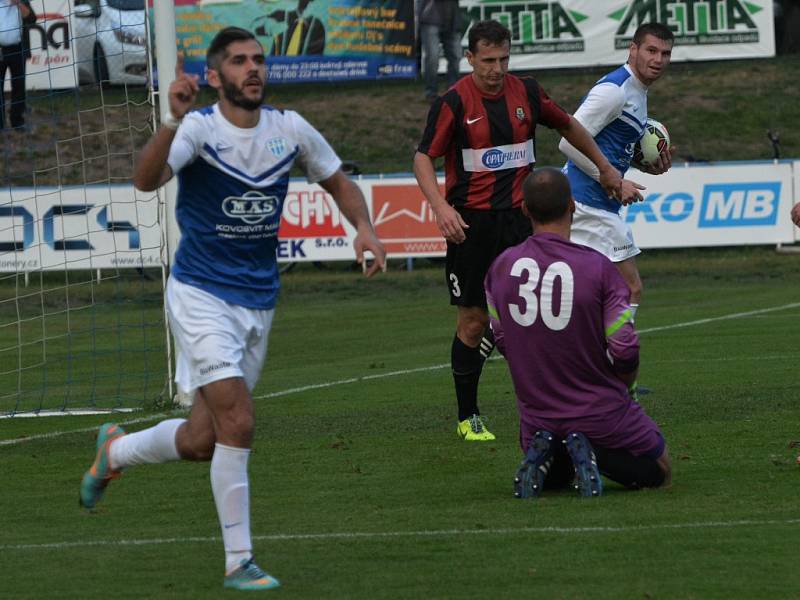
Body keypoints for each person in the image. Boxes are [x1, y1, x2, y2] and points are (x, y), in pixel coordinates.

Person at [79, 26, 386, 591]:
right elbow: (145, 181)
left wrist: (363, 229)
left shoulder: (288, 129)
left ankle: (115, 451)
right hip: (200, 294)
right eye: (240, 62)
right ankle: (238, 559)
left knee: (203, 439)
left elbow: (339, 182)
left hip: (258, 300)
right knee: (239, 420)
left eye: (259, 60)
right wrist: (170, 120)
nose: (254, 70)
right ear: (215, 77)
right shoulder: (198, 130)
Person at [413, 19, 633, 443]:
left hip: (523, 224)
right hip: (471, 226)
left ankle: (556, 409)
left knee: (540, 320)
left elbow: (568, 124)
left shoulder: (527, 92)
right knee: (475, 321)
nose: (496, 69)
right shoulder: (453, 102)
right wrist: (440, 207)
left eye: (504, 59)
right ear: (470, 58)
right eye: (488, 61)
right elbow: (424, 158)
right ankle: (468, 415)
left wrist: (605, 168)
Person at [484, 167, 671, 498]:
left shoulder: (500, 267)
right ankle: (593, 453)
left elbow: (502, 339)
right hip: (601, 411)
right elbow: (624, 348)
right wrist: (625, 387)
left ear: (525, 209)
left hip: (536, 413)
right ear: (572, 205)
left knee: (556, 477)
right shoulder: (598, 267)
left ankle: (548, 450)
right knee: (660, 471)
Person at [560, 22, 675, 325]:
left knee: (583, 291)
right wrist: (613, 179)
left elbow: (604, 147)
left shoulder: (637, 91)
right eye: (651, 50)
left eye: (665, 53)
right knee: (629, 288)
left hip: (592, 202)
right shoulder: (615, 91)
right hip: (588, 203)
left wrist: (641, 166)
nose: (658, 60)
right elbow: (567, 143)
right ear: (633, 48)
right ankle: (615, 357)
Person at [416, 0, 461, 103]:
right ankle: (431, 92)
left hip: (452, 17)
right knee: (433, 57)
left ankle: (453, 91)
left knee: (456, 56)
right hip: (430, 16)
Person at [0, 0, 35, 130]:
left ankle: (17, 121)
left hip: (17, 49)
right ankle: (0, 124)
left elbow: (32, 19)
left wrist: (19, 4)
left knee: (19, 85)